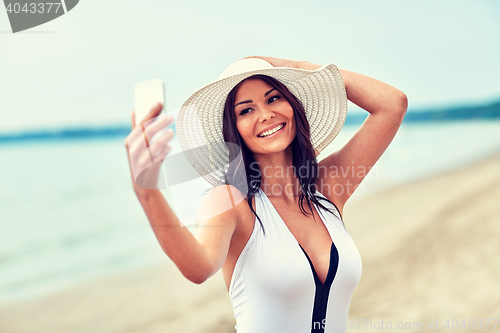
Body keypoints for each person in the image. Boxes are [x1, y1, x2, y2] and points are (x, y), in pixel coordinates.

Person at [124, 56, 407, 333]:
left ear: (293, 105)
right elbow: (197, 268)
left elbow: (392, 104)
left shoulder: (327, 187)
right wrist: (147, 193)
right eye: (246, 110)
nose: (266, 114)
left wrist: (299, 69)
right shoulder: (231, 202)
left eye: (273, 98)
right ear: (233, 129)